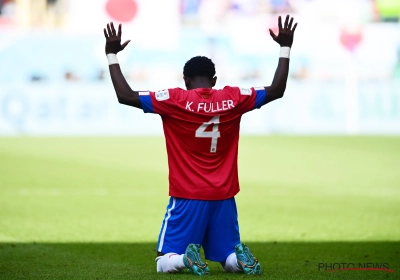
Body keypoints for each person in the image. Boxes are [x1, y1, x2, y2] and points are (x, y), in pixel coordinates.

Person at [103, 15, 297, 276]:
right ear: (214, 79)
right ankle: (240, 261)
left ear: (185, 80)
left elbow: (125, 96)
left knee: (163, 261)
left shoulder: (175, 99)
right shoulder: (234, 97)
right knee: (227, 255)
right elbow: (276, 90)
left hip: (187, 195)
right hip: (224, 196)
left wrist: (112, 55)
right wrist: (285, 48)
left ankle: (185, 259)